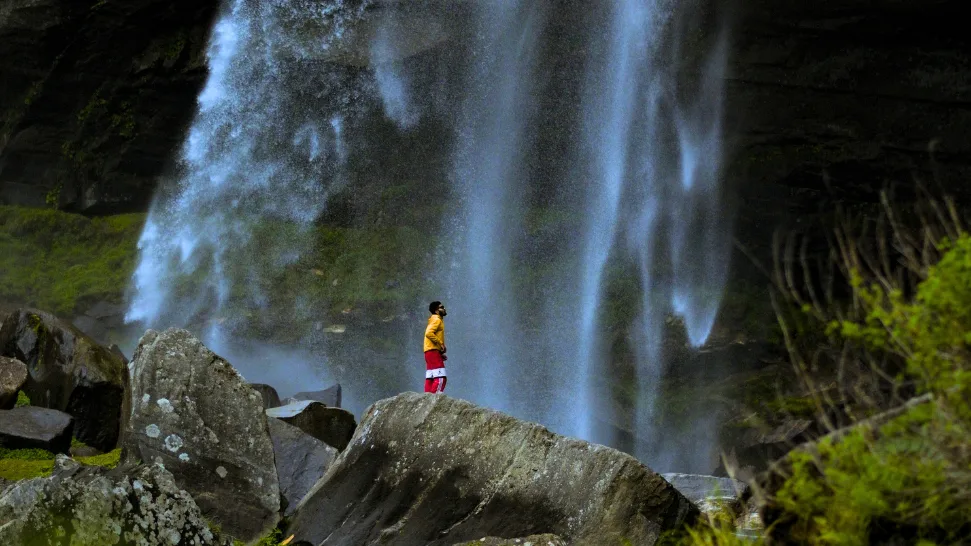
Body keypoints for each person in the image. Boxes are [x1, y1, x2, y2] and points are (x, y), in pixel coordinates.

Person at [424, 301, 447, 393]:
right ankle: (433, 400)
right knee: (441, 377)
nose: (444, 309)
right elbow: (429, 333)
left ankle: (426, 397)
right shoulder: (437, 320)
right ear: (436, 311)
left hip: (429, 351)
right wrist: (440, 343)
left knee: (431, 377)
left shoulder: (433, 319)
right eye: (442, 307)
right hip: (432, 351)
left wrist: (439, 353)